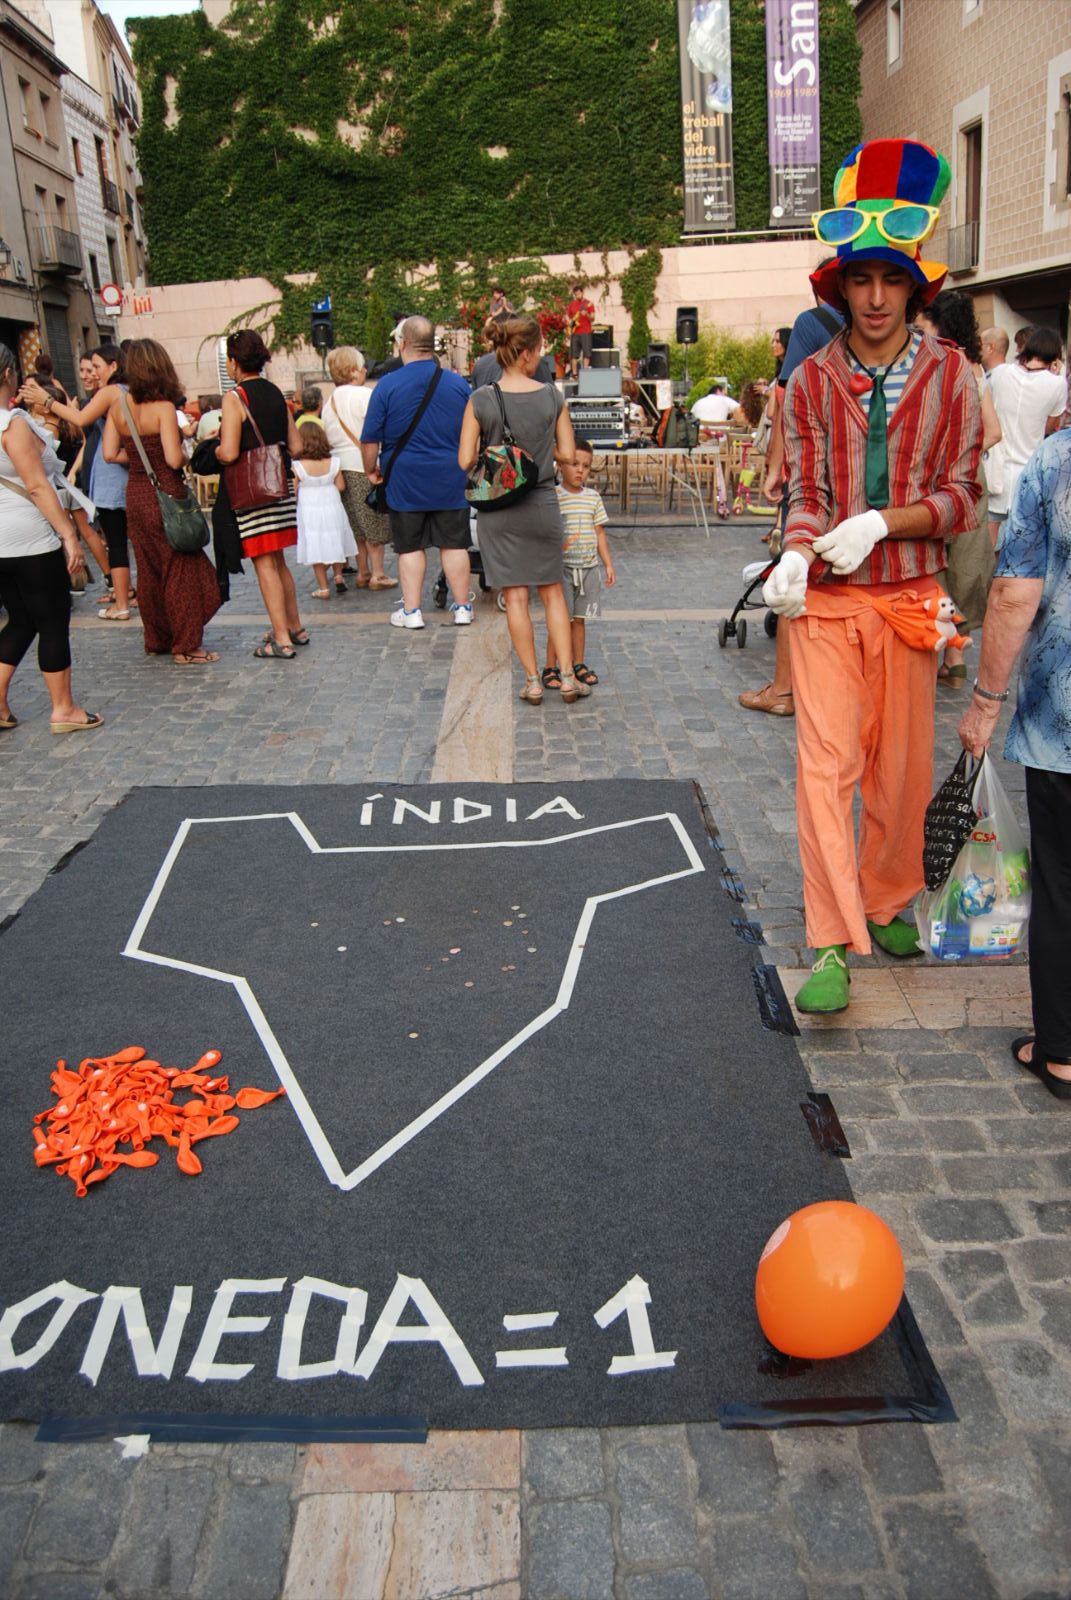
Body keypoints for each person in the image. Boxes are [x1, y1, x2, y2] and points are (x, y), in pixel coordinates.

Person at [762, 137, 983, 1014]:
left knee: (899, 771)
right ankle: (829, 936)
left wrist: (885, 522)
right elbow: (807, 487)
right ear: (840, 288)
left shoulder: (953, 374)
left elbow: (963, 495)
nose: (878, 297)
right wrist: (796, 548)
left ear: (914, 287)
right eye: (862, 280)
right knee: (826, 768)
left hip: (911, 599)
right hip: (827, 605)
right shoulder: (812, 379)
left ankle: (886, 899)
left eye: (893, 279)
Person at [958, 427, 1071, 1097]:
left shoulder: (1057, 460)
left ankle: (1062, 1054)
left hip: (1064, 719)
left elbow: (1014, 592)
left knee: (1062, 883)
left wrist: (984, 703)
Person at [458, 316, 589, 703]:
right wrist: (541, 449)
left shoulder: (480, 399)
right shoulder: (552, 396)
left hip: (498, 510)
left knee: (515, 597)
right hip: (542, 503)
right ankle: (567, 677)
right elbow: (568, 453)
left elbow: (465, 459)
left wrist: (496, 451)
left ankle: (532, 681)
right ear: (528, 353)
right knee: (553, 593)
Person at [743, 271, 844, 720]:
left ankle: (784, 688)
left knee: (795, 567)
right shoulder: (893, 334)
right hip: (860, 477)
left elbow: (787, 397)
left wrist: (774, 466)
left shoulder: (810, 323)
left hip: (814, 472)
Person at [0, 341, 101, 734]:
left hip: (2, 539)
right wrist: (68, 535)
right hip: (30, 535)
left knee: (21, 620)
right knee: (53, 620)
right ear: (8, 375)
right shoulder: (12, 425)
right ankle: (64, 708)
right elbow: (38, 486)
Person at [102, 338, 221, 665]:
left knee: (149, 569)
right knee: (180, 568)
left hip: (136, 493)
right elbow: (172, 459)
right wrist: (186, 452)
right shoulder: (164, 408)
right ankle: (187, 646)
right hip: (165, 491)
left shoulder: (118, 408)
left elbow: (109, 453)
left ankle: (157, 638)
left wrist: (139, 459)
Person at [361, 315, 473, 630]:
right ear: (432, 344)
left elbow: (370, 439)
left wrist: (371, 470)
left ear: (403, 343)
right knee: (454, 544)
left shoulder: (387, 385)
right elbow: (473, 430)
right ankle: (463, 607)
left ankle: (412, 612)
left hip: (404, 478)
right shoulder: (457, 384)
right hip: (451, 474)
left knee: (409, 546)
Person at [914, 289, 1003, 687]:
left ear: (939, 325)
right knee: (960, 565)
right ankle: (955, 655)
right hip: (968, 478)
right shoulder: (973, 369)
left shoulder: (943, 368)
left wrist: (948, 458)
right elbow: (993, 432)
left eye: (922, 326)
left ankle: (942, 649)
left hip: (940, 477)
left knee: (935, 563)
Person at [21, 343, 134, 621]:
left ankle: (122, 600)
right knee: (118, 540)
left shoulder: (111, 391)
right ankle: (125, 595)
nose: (91, 373)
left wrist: (49, 401)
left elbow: (83, 420)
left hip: (112, 479)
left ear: (113, 366)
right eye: (86, 369)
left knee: (115, 542)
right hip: (109, 477)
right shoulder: (120, 391)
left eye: (95, 367)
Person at [215, 328, 308, 660]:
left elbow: (228, 452)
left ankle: (281, 638)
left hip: (253, 491)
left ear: (234, 361)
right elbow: (297, 446)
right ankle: (295, 627)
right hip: (279, 485)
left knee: (265, 563)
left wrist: (215, 450)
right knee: (279, 561)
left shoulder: (235, 397)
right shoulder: (275, 393)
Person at [321, 346, 396, 591]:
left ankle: (362, 571)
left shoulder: (330, 402)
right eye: (362, 367)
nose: (365, 371)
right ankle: (378, 574)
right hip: (363, 464)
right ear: (353, 371)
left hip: (340, 468)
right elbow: (379, 429)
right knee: (374, 519)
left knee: (356, 523)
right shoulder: (363, 395)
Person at [542, 436, 614, 691]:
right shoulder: (554, 496)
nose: (580, 470)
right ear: (561, 465)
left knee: (580, 619)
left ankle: (578, 663)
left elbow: (600, 533)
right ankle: (551, 666)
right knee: (560, 620)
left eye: (585, 466)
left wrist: (607, 564)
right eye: (574, 464)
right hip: (562, 569)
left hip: (587, 568)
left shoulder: (593, 497)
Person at [987, 327, 1066, 548]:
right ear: (1054, 356)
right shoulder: (1057, 384)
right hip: (1028, 472)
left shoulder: (1001, 373)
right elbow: (1050, 426)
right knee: (1023, 545)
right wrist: (1057, 374)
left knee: (989, 540)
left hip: (996, 469)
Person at [293, 421, 356, 600]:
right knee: (335, 539)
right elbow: (341, 486)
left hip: (310, 508)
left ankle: (323, 587)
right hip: (332, 504)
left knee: (316, 545)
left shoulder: (297, 466)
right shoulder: (334, 462)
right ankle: (338, 576)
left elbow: (294, 490)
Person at [472, 318, 555, 388]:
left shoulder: (479, 396)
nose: (539, 357)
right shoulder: (550, 394)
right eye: (539, 350)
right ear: (526, 354)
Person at [566, 285, 596, 379]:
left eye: (578, 293)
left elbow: (593, 318)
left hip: (586, 331)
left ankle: (585, 374)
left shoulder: (589, 304)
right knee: (573, 354)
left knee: (586, 353)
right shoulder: (572, 304)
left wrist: (586, 314)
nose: (577, 296)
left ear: (582, 292)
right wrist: (570, 322)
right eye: (576, 294)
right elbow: (567, 316)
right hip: (575, 332)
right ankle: (574, 374)